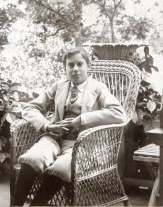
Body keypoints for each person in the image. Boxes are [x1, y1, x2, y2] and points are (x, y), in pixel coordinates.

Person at [13, 47, 126, 206]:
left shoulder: (98, 88)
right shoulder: (59, 86)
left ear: (88, 66)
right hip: (54, 139)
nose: (75, 69)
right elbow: (29, 108)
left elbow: (118, 113)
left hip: (82, 144)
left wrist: (81, 120)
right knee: (31, 159)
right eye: (70, 65)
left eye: (80, 64)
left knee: (61, 168)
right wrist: (47, 126)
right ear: (65, 68)